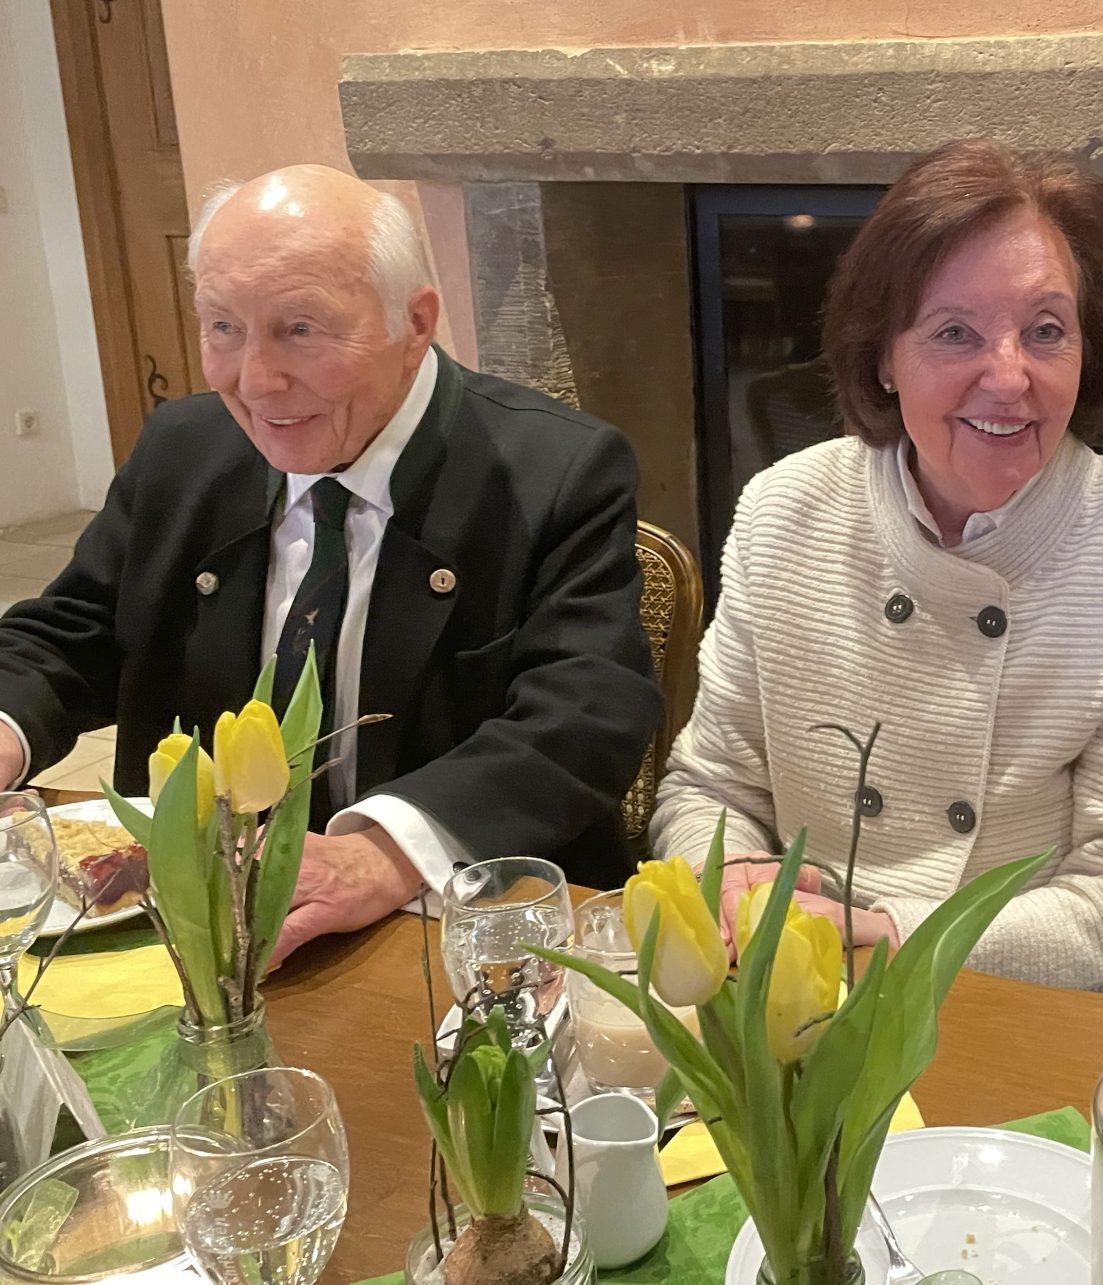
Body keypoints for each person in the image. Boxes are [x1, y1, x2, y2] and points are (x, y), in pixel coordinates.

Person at [0, 166, 660, 963]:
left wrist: (380, 853)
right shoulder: (184, 448)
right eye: (223, 327)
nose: (255, 381)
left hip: (449, 921)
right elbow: (73, 632)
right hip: (200, 927)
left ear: (415, 323)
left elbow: (585, 716)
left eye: (300, 329)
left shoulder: (555, 470)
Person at [651, 139, 1103, 991]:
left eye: (1046, 331)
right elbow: (712, 785)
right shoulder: (783, 510)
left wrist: (893, 935)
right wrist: (734, 879)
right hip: (785, 988)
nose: (1010, 377)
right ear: (884, 356)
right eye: (954, 332)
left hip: (1008, 1003)